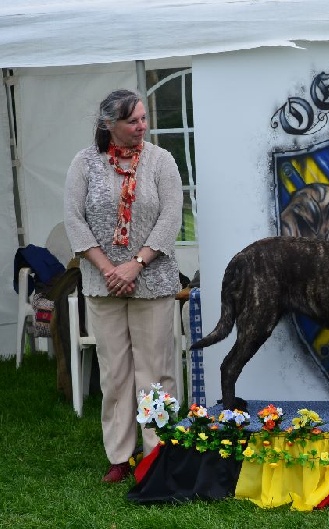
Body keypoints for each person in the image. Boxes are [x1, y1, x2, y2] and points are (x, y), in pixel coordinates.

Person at [64, 89, 183, 483]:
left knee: (156, 372)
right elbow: (74, 220)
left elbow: (171, 217)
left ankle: (157, 454)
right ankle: (120, 455)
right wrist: (108, 270)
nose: (141, 126)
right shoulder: (84, 163)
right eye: (132, 121)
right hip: (103, 286)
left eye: (143, 118)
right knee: (114, 373)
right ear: (108, 124)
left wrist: (135, 265)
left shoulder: (161, 161)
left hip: (153, 282)